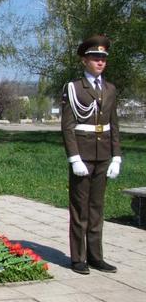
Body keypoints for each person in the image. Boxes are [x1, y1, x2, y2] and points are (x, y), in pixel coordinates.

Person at [61, 35, 121, 275]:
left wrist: (116, 156)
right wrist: (74, 157)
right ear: (84, 60)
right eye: (95, 58)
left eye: (103, 58)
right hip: (83, 155)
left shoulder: (110, 89)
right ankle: (78, 258)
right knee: (80, 208)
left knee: (97, 207)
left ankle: (96, 257)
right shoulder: (74, 88)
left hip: (103, 155)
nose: (100, 62)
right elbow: (68, 127)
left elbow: (114, 125)